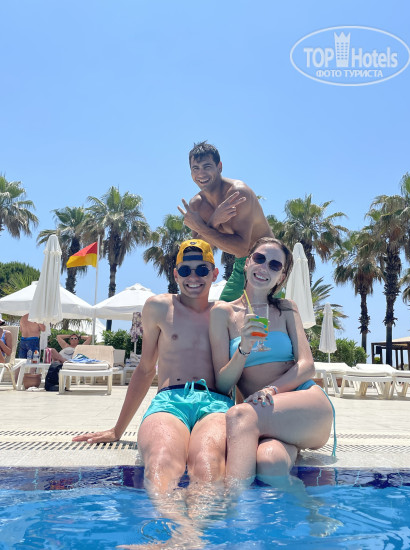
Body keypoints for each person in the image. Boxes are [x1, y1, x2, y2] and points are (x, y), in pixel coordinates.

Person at [73, 239, 233, 495]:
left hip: (215, 403)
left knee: (208, 465)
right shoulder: (159, 307)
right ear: (176, 274)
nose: (193, 277)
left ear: (214, 274)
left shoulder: (225, 313)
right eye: (185, 270)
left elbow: (240, 371)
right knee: (159, 461)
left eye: (202, 270)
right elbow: (146, 369)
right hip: (170, 401)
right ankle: (174, 520)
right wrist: (117, 430)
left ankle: (197, 521)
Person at [209, 237, 335, 484]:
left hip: (305, 401)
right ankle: (308, 505)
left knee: (240, 416)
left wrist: (271, 390)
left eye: (275, 265)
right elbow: (223, 385)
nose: (264, 267)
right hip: (264, 413)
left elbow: (307, 365)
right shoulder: (222, 313)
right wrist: (243, 349)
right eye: (259, 259)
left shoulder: (287, 309)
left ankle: (231, 503)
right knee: (270, 462)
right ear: (247, 263)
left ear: (281, 277)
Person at [178, 141, 274, 302]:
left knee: (261, 314)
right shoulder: (197, 205)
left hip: (267, 263)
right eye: (195, 168)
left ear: (219, 167)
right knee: (223, 312)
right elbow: (198, 253)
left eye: (207, 166)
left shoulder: (237, 193)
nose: (201, 173)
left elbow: (242, 248)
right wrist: (214, 220)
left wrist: (202, 228)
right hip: (241, 264)